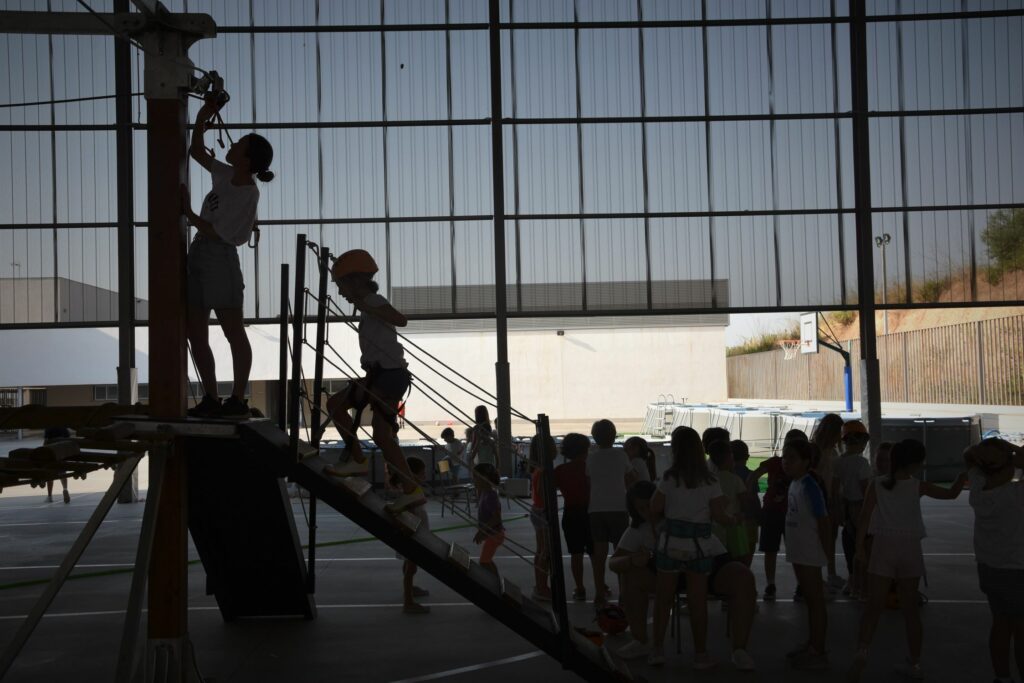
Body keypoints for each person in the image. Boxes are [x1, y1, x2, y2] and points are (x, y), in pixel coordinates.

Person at [182, 95, 273, 419]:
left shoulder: (247, 191)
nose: (233, 144)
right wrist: (202, 119)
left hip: (219, 258)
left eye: (240, 145)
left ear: (247, 160)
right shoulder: (226, 175)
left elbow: (219, 233)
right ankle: (211, 397)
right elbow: (195, 152)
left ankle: (236, 398)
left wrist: (188, 213)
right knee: (196, 331)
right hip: (202, 255)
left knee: (232, 330)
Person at [849, 439, 968, 681]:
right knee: (911, 611)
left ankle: (862, 652)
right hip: (910, 549)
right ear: (915, 464)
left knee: (873, 607)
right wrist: (963, 475)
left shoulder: (876, 485)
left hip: (883, 547)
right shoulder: (918, 486)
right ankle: (914, 663)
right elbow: (952, 495)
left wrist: (859, 549)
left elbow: (863, 519)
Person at [321, 250, 423, 513]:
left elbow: (401, 320)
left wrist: (367, 305)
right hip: (384, 375)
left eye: (342, 285)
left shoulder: (373, 300)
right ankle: (411, 490)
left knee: (335, 404)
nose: (341, 293)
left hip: (388, 375)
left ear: (356, 281)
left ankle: (357, 459)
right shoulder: (368, 304)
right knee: (380, 434)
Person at [649, 426, 735, 670]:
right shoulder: (710, 481)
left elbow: (655, 507)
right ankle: (700, 653)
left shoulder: (668, 478)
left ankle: (657, 650)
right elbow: (719, 515)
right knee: (698, 602)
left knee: (664, 599)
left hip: (670, 545)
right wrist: (733, 519)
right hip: (700, 548)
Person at [964, 438, 1024, 683]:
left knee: (1000, 624)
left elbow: (968, 455)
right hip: (1017, 570)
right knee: (1021, 632)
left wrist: (997, 455)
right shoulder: (1016, 493)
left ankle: (1003, 677)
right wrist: (1013, 450)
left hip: (989, 568)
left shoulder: (978, 488)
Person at [781, 439, 831, 671]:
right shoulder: (795, 484)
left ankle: (818, 649)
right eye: (784, 457)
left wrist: (826, 552)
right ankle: (813, 642)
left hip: (809, 551)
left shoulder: (810, 485)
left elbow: (823, 521)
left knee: (815, 600)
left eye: (791, 458)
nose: (785, 462)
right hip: (799, 551)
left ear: (806, 461)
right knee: (810, 600)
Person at [747, 429, 803, 601]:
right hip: (782, 512)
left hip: (779, 512)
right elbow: (753, 476)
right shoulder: (782, 463)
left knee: (774, 550)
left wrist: (751, 496)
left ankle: (773, 584)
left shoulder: (775, 462)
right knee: (789, 551)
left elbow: (753, 476)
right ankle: (796, 585)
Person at [587, 419, 636, 606]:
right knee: (621, 553)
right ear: (615, 435)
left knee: (599, 555)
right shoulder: (621, 456)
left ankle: (599, 592)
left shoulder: (591, 458)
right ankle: (624, 592)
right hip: (619, 508)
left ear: (594, 437)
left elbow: (589, 482)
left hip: (596, 509)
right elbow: (632, 478)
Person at [608, 481, 659, 660]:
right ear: (634, 510)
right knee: (629, 574)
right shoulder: (637, 530)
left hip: (687, 575)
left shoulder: (676, 520)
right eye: (641, 508)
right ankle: (640, 639)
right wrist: (631, 560)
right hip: (661, 579)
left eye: (650, 505)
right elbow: (613, 563)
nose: (648, 511)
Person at [835, 420, 872, 599]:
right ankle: (861, 585)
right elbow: (866, 489)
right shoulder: (862, 463)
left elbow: (835, 488)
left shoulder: (839, 462)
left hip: (846, 507)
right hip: (860, 508)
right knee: (863, 547)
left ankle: (852, 581)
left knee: (850, 545)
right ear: (861, 442)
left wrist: (839, 508)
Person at [554, 432, 593, 601]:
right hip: (591, 512)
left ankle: (580, 587)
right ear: (585, 450)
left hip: (571, 513)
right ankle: (601, 584)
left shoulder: (560, 470)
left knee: (576, 553)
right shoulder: (590, 468)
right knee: (595, 551)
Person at [811, 413, 845, 592]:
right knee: (824, 538)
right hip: (825, 499)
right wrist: (832, 500)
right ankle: (823, 575)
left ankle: (830, 573)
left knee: (830, 537)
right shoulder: (822, 453)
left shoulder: (830, 451)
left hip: (831, 498)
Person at [708, 440, 752, 566]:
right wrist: (743, 515)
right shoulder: (735, 480)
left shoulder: (711, 479)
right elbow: (744, 501)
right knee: (736, 561)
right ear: (728, 460)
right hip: (733, 526)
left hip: (714, 529)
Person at [396, 456, 431, 615]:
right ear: (412, 475)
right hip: (413, 532)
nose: (425, 476)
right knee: (411, 568)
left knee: (410, 566)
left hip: (417, 530)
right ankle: (408, 603)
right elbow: (409, 511)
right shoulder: (409, 490)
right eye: (422, 473)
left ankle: (410, 589)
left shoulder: (413, 488)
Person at [529, 433, 555, 602]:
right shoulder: (544, 471)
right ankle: (541, 587)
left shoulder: (538, 468)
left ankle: (540, 585)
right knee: (545, 552)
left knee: (541, 550)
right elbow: (541, 493)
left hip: (537, 511)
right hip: (542, 512)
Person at [473, 463, 504, 576]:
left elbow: (496, 518)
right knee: (487, 560)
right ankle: (497, 583)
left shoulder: (491, 495)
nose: (474, 481)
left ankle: (495, 585)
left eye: (475, 478)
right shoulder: (483, 493)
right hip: (492, 533)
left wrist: (481, 532)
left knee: (484, 562)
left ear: (484, 478)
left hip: (495, 534)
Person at [43, 426, 71, 504]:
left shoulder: (49, 427)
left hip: (52, 453)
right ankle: (65, 489)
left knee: (50, 474)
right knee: (63, 472)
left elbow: (46, 442)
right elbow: (69, 439)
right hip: (62, 452)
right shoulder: (63, 427)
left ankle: (50, 497)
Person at [468, 406, 499, 470]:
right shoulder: (487, 426)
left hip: (480, 461)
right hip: (485, 462)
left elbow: (472, 446)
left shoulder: (476, 428)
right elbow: (497, 456)